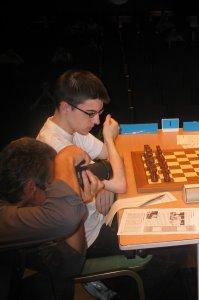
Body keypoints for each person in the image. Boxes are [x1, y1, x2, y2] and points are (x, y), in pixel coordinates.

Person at [37, 70, 127, 257]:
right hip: (88, 237)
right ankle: (97, 283)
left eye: (100, 113)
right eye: (91, 113)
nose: (97, 121)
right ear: (65, 107)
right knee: (164, 256)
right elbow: (120, 182)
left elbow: (115, 158)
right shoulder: (53, 147)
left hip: (101, 217)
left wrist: (106, 185)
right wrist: (110, 138)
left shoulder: (75, 130)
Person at [0, 138, 104, 299]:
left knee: (59, 284)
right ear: (30, 188)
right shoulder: (5, 219)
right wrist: (65, 158)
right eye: (53, 184)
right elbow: (66, 217)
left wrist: (76, 199)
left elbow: (70, 264)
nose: (58, 192)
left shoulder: (25, 207)